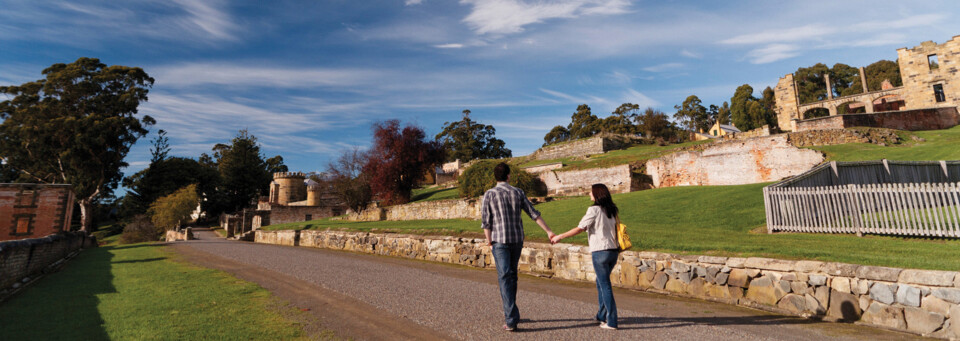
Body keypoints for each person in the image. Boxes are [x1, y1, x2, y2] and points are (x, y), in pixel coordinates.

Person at [481, 162, 556, 331]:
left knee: (505, 277)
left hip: (499, 241)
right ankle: (512, 314)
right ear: (508, 176)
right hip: (516, 240)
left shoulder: (489, 194)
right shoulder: (518, 192)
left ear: (496, 177)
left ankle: (510, 319)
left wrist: (489, 241)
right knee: (511, 276)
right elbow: (533, 214)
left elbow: (486, 222)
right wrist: (548, 231)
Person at [551, 183, 620, 330]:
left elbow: (581, 228)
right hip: (613, 251)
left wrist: (560, 236)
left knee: (605, 285)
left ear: (596, 194)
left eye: (591, 192)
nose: (589, 194)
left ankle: (612, 321)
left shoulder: (593, 210)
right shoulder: (612, 209)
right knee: (600, 282)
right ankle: (601, 315)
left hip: (600, 251)